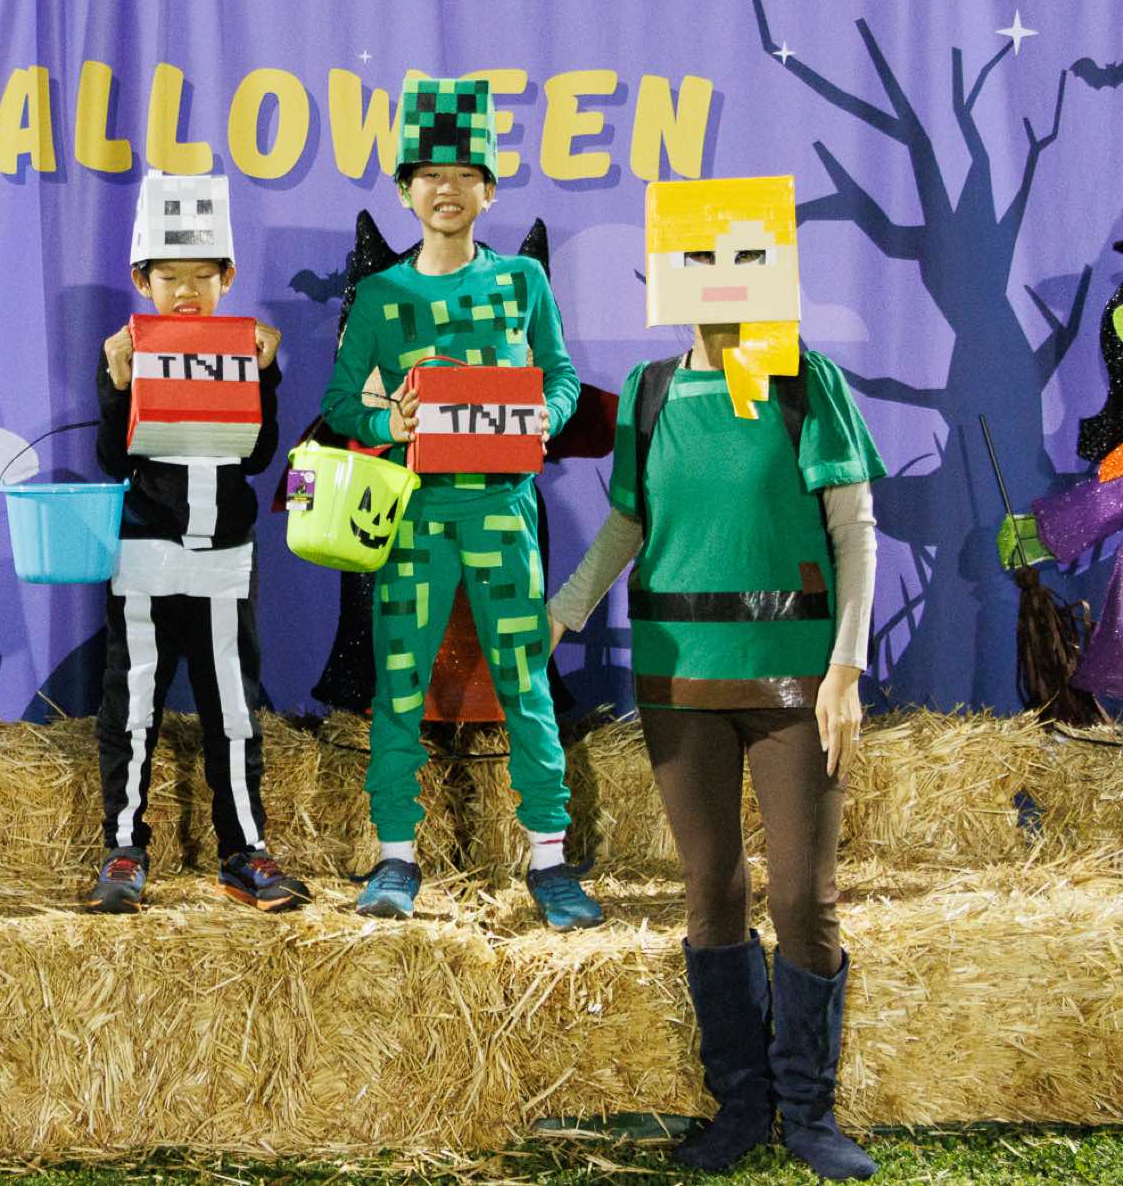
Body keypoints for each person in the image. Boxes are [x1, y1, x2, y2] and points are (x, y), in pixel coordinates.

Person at [547, 175, 882, 1180]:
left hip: (793, 686)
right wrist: (562, 611)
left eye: (739, 258)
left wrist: (844, 667)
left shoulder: (805, 383)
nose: (719, 279)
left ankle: (807, 1111)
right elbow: (628, 522)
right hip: (678, 683)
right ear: (665, 275)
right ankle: (738, 1103)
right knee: (711, 886)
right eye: (698, 258)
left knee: (803, 896)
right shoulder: (649, 394)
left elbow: (854, 531)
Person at [318, 75, 599, 930]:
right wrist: (386, 420)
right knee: (399, 683)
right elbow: (339, 405)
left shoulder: (522, 281)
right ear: (407, 189)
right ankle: (396, 857)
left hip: (504, 514)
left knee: (526, 682)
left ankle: (549, 860)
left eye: (465, 173)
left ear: (489, 190)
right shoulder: (381, 296)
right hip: (414, 518)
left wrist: (547, 418)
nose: (448, 188)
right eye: (430, 174)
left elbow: (561, 376)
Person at [84, 171, 310, 915]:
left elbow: (258, 455)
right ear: (141, 280)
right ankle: (124, 847)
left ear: (227, 278)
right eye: (169, 276)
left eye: (202, 276)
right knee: (132, 708)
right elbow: (113, 460)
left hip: (224, 561)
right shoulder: (126, 350)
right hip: (145, 558)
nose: (186, 291)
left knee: (233, 712)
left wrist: (266, 375)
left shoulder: (245, 348)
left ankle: (243, 851)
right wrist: (117, 382)